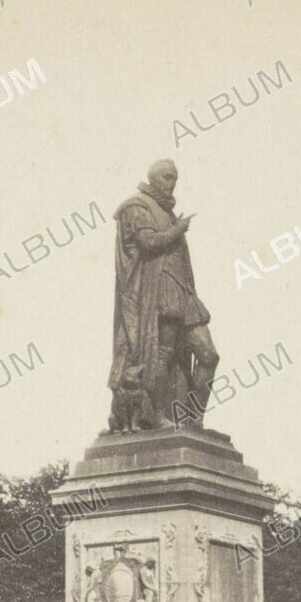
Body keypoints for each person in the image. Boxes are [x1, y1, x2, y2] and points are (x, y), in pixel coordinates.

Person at [109, 159, 220, 429]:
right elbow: (148, 242)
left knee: (208, 356)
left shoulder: (167, 211)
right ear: (154, 177)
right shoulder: (136, 206)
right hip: (158, 291)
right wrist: (177, 230)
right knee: (163, 354)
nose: (172, 184)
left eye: (175, 179)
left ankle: (193, 419)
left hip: (183, 291)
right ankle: (154, 415)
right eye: (167, 178)